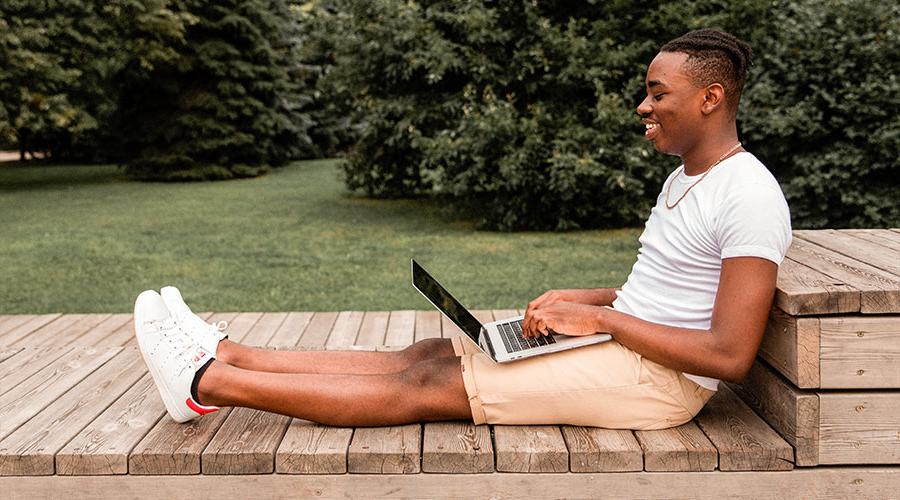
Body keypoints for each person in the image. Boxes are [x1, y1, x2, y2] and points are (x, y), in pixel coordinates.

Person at [133, 28, 791, 429]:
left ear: (711, 98)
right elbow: (672, 294)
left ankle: (202, 385)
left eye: (657, 93)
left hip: (659, 385)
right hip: (629, 350)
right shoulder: (687, 178)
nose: (644, 106)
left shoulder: (748, 195)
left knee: (428, 387)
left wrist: (605, 324)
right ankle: (229, 353)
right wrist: (586, 301)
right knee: (427, 354)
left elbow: (729, 356)